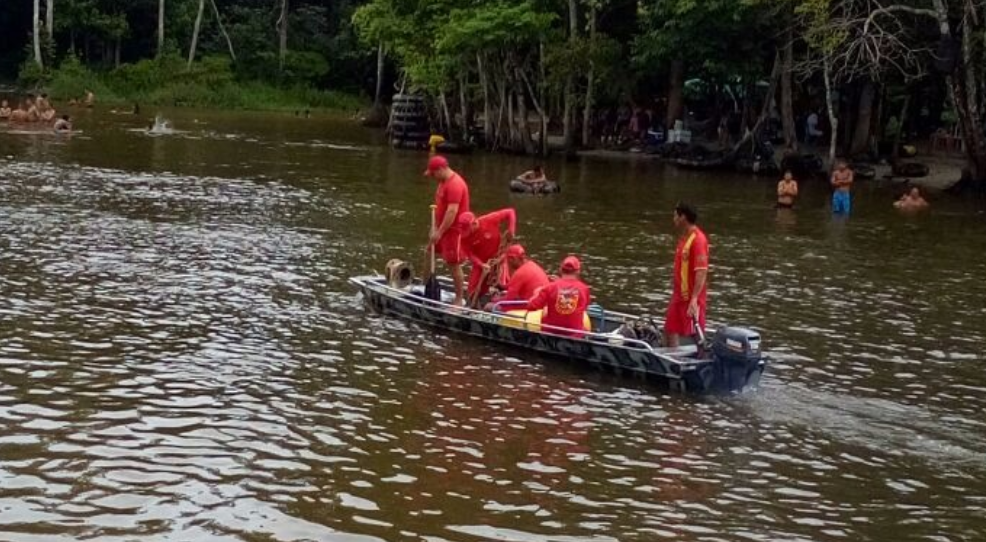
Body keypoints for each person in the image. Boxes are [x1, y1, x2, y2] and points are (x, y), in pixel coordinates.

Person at [426, 155, 471, 306]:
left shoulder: (455, 185)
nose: (432, 177)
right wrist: (434, 228)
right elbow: (440, 207)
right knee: (429, 251)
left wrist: (440, 232)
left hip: (453, 230)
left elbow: (452, 211)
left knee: (453, 263)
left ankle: (459, 298)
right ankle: (425, 284)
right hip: (441, 228)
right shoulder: (442, 182)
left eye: (433, 174)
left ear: (441, 169)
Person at [664, 202, 710, 348]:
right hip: (678, 296)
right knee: (670, 329)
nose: (673, 219)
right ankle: (672, 361)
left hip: (690, 297)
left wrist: (694, 299)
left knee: (695, 333)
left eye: (675, 216)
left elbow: (701, 271)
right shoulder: (685, 239)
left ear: (683, 217)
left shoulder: (698, 240)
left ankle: (700, 360)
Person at [457, 208, 517, 306]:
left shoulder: (489, 219)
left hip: (498, 260)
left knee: (505, 285)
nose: (466, 233)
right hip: (482, 264)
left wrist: (511, 230)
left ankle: (503, 303)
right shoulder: (464, 237)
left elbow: (510, 212)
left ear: (474, 223)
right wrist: (481, 264)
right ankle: (476, 305)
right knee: (472, 290)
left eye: (467, 229)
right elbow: (470, 255)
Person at [522, 256, 591, 338]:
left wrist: (537, 293)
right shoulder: (584, 289)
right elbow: (584, 308)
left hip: (550, 333)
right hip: (574, 335)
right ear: (578, 271)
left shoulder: (550, 287)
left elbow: (531, 306)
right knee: (585, 330)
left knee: (545, 311)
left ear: (560, 270)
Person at [486, 244, 549, 311]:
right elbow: (514, 285)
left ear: (512, 259)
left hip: (528, 306)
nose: (508, 263)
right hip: (541, 304)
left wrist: (494, 300)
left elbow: (509, 299)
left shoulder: (520, 273)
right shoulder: (532, 265)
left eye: (508, 260)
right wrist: (500, 286)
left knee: (488, 306)